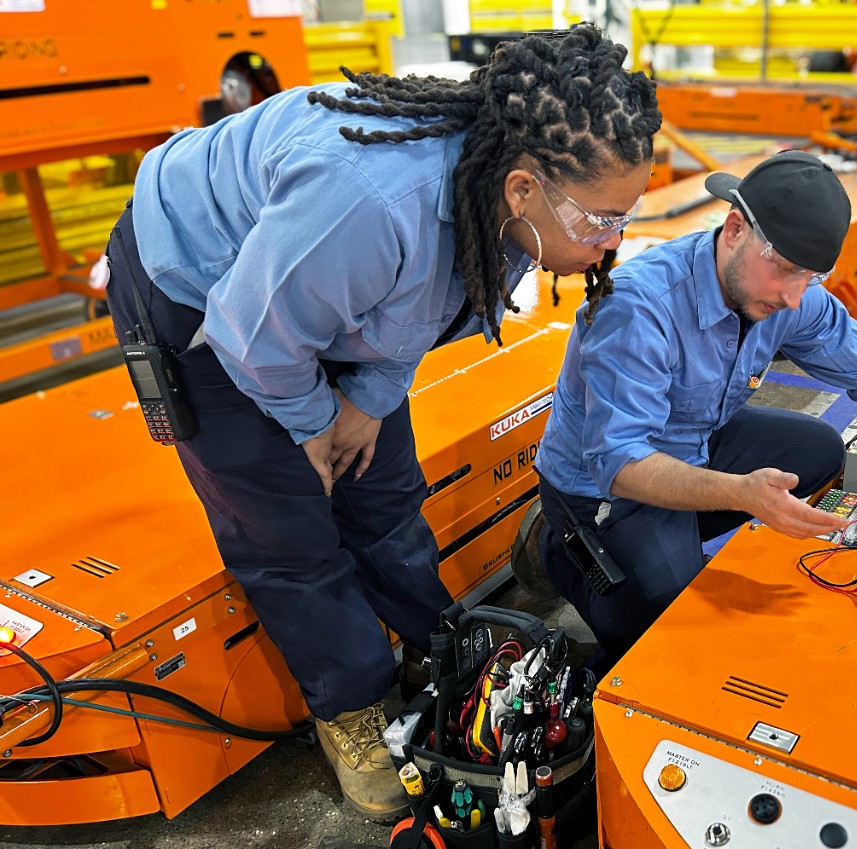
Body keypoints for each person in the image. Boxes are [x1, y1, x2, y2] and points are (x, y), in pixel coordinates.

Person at [102, 26, 661, 820]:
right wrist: (312, 421)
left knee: (386, 487)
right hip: (202, 289)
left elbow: (425, 305)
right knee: (287, 522)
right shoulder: (366, 200)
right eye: (604, 219)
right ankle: (351, 703)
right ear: (525, 189)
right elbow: (254, 337)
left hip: (307, 280)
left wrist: (366, 401)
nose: (615, 240)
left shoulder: (496, 197)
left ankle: (432, 647)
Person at [533, 150, 857, 671]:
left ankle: (675, 541)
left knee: (818, 449)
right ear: (734, 229)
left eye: (811, 275)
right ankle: (576, 561)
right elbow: (620, 463)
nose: (795, 297)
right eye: (784, 269)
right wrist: (742, 493)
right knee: (670, 623)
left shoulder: (783, 293)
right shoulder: (639, 307)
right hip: (603, 492)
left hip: (691, 443)